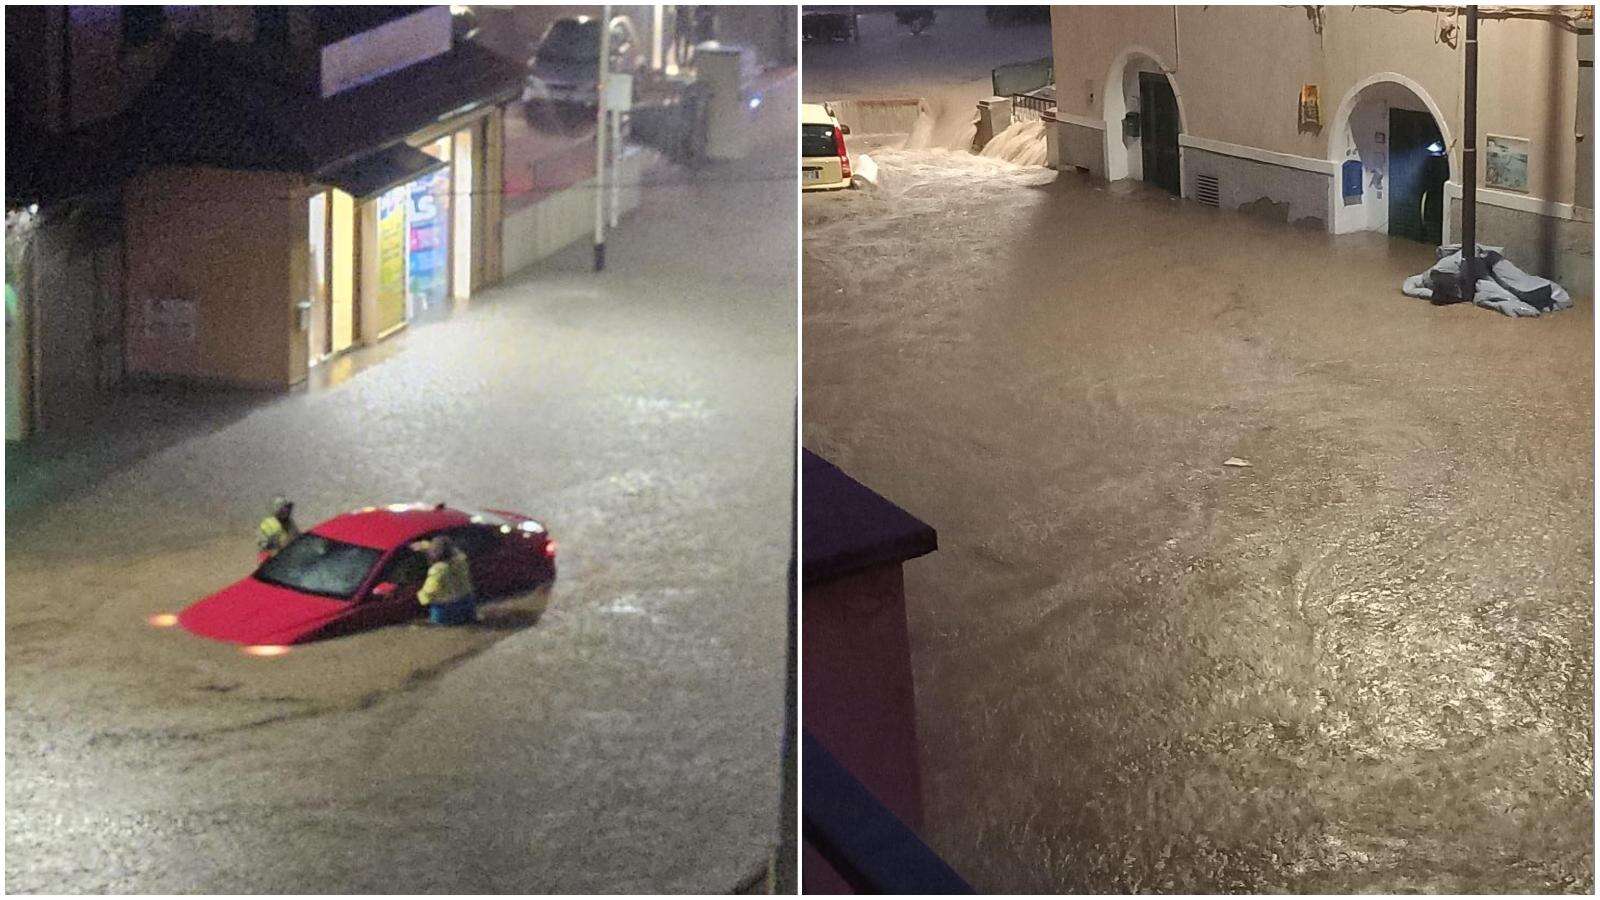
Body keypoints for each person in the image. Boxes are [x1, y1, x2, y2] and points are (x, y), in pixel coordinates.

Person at [416, 536, 477, 625]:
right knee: (470, 622)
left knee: (440, 626)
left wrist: (420, 597)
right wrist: (426, 545)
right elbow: (453, 550)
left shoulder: (437, 570)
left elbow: (430, 590)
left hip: (446, 608)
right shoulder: (461, 559)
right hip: (467, 600)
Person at [257, 496, 299, 561]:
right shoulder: (267, 524)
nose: (287, 510)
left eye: (288, 508)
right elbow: (264, 551)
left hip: (293, 560)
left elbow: (298, 539)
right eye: (285, 508)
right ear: (279, 510)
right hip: (276, 563)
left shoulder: (290, 523)